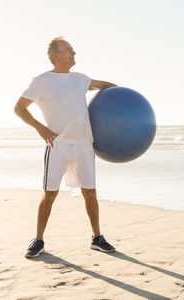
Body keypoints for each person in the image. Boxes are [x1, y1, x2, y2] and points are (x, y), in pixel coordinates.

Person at [14, 37, 117, 258]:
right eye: (69, 50)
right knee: (49, 194)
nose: (74, 52)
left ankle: (97, 238)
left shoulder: (80, 79)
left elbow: (102, 86)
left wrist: (124, 95)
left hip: (84, 146)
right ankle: (39, 240)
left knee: (90, 192)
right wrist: (40, 129)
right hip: (58, 145)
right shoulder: (41, 81)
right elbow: (19, 108)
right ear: (56, 56)